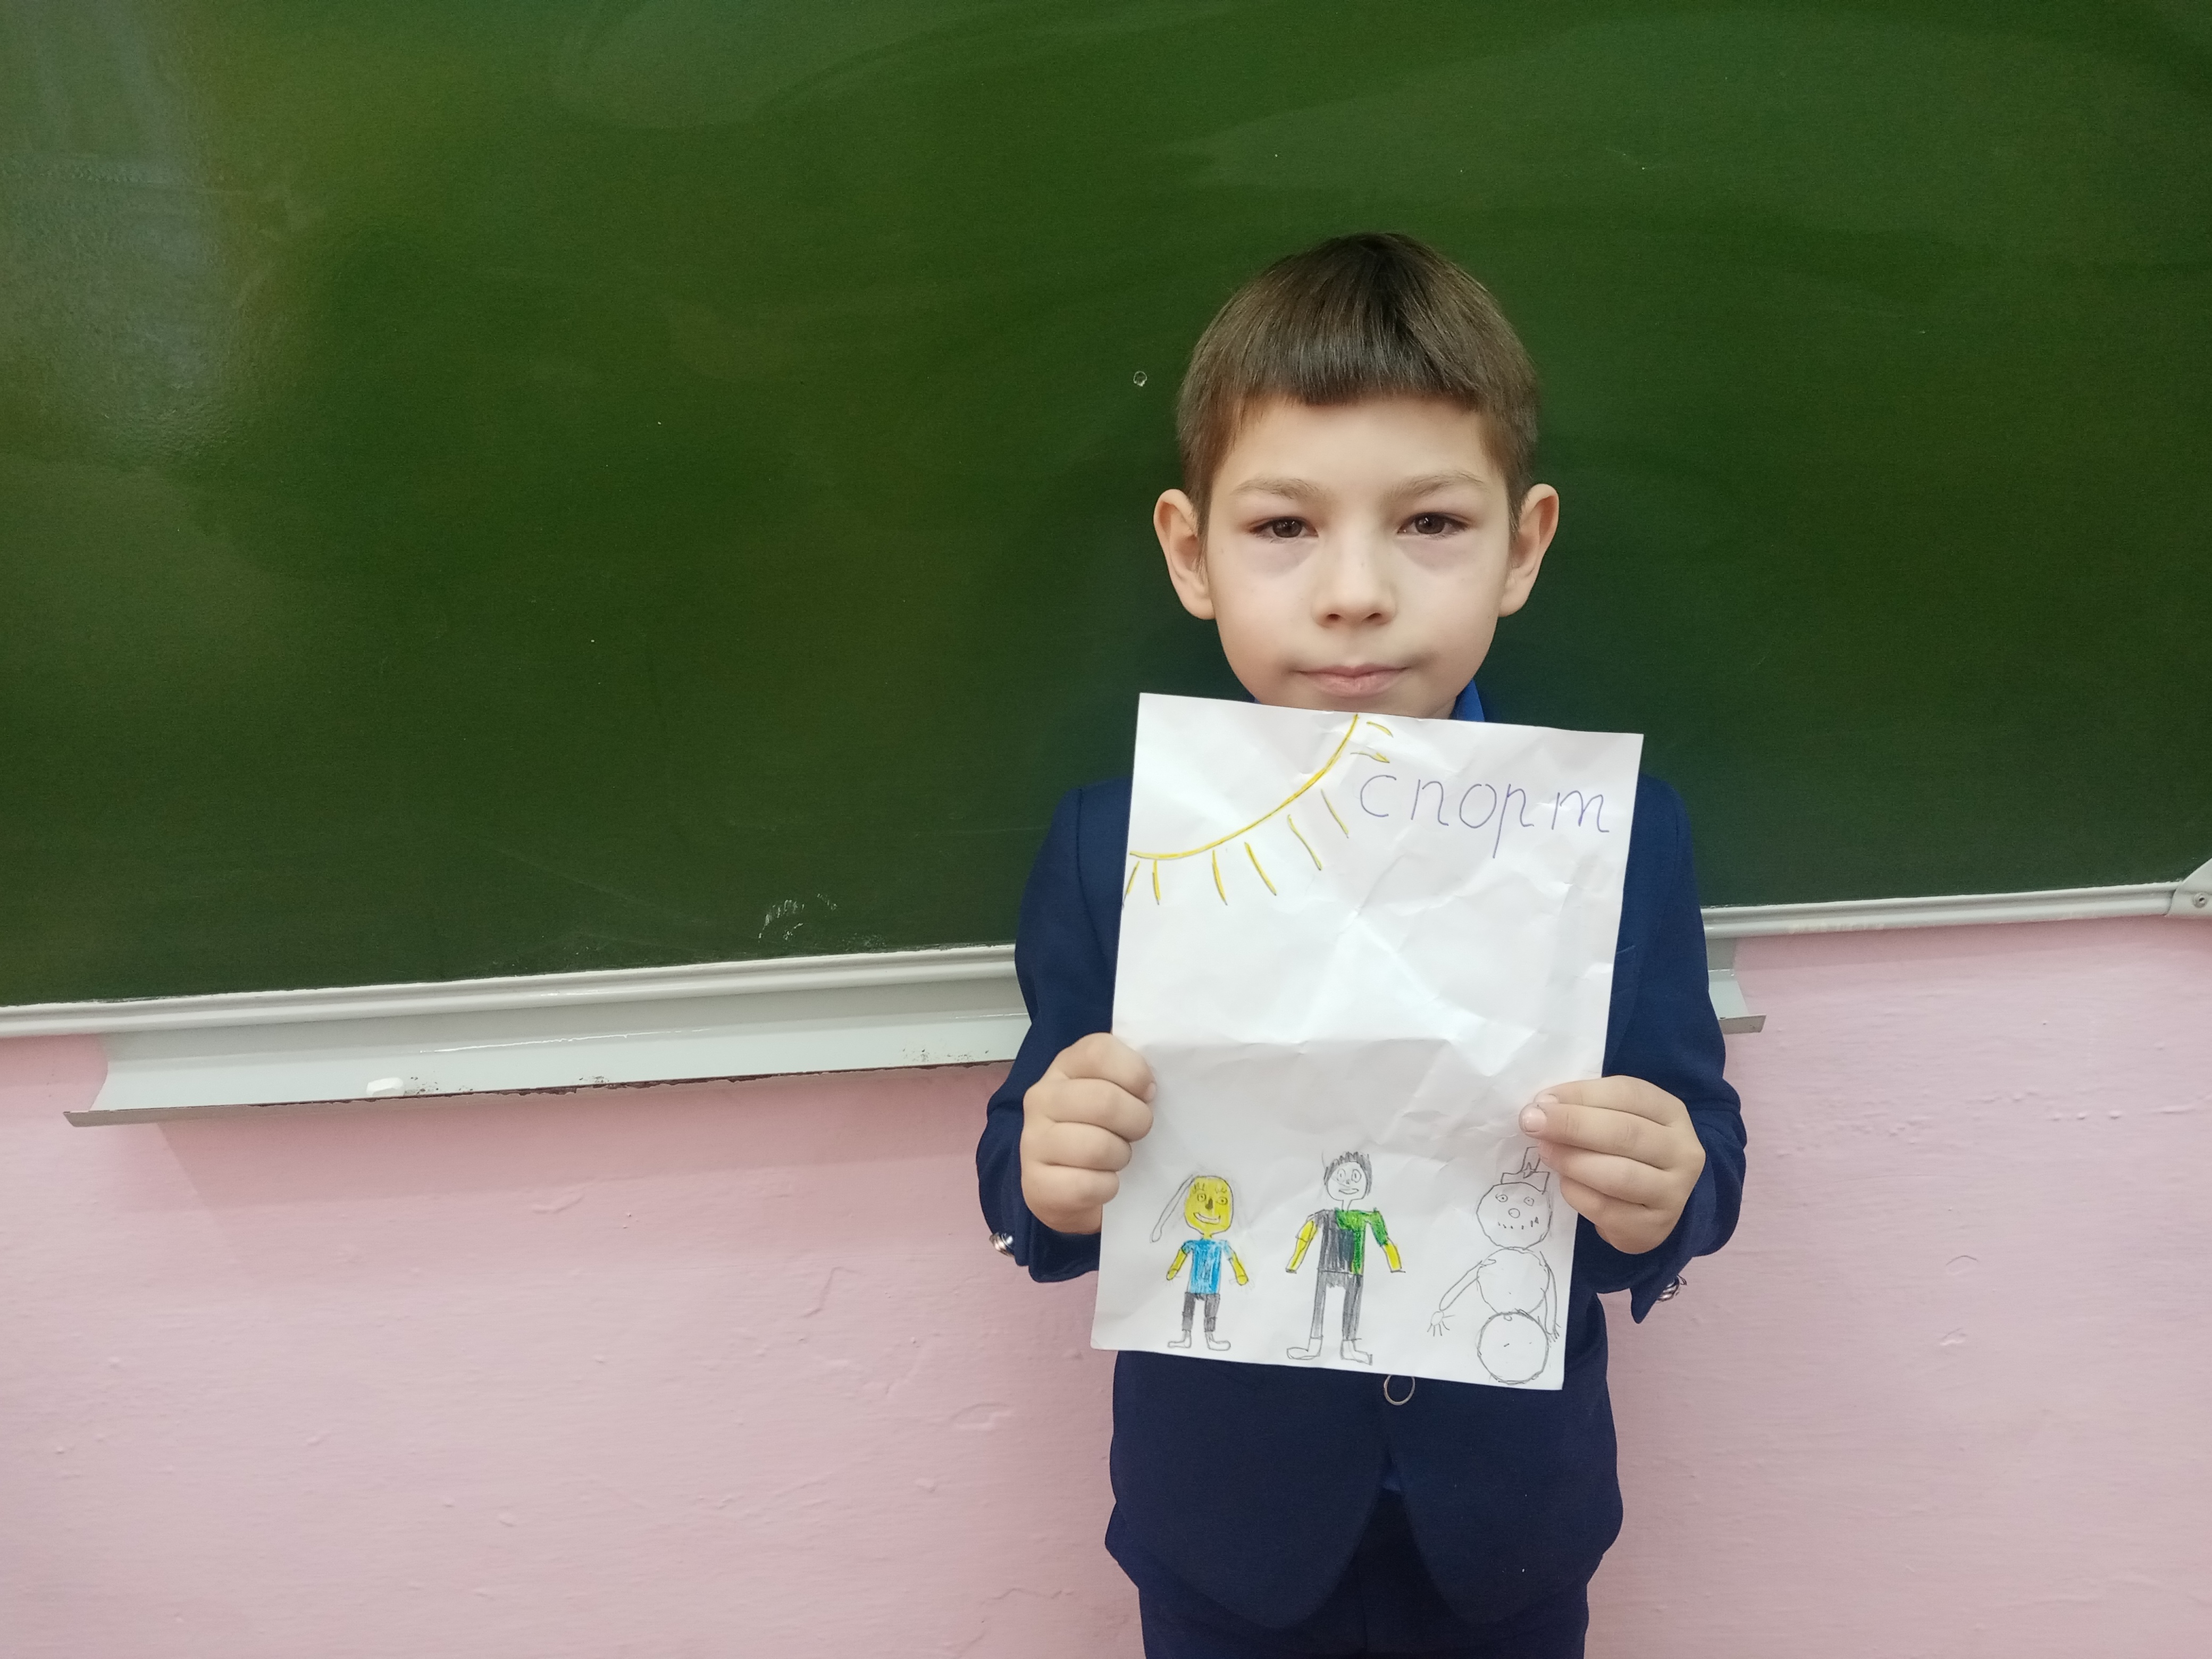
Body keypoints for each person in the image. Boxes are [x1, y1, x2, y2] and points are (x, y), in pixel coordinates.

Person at [975, 232, 1747, 1658]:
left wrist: (1669, 1190)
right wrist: (1049, 1167)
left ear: (1523, 547)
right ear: (1190, 553)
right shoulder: (1112, 847)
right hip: (1229, 1539)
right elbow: (1028, 1154)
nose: (1354, 592)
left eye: (1431, 523)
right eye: (1284, 527)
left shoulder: (1619, 841)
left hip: (1506, 1538)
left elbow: (1701, 1140)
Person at [1285, 1151, 1402, 1365]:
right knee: (1320, 1306)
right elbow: (1305, 1237)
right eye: (1340, 1177)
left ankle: (1349, 1348)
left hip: (1354, 1270)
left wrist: (1396, 1267)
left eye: (1355, 1177)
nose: (1347, 1183)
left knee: (1351, 1308)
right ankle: (1314, 1346)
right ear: (1328, 1181)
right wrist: (1294, 1263)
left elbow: (1385, 1241)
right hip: (1326, 1267)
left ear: (1367, 1183)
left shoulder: (1368, 1217)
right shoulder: (1326, 1215)